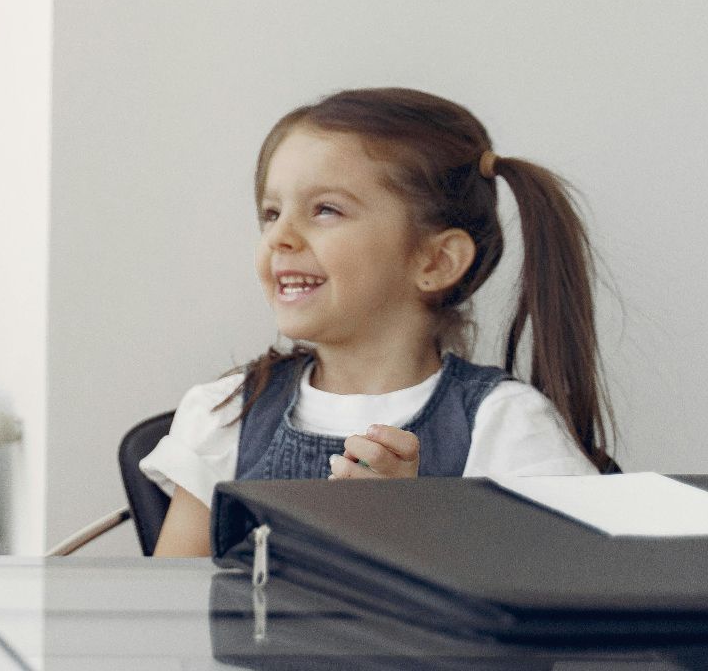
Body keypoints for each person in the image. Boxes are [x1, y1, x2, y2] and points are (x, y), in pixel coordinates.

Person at [144, 87, 614, 558]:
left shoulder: (507, 426)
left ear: (436, 261)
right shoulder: (223, 416)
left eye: (325, 209)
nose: (279, 237)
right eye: (271, 213)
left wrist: (411, 530)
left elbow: (564, 602)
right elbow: (169, 613)